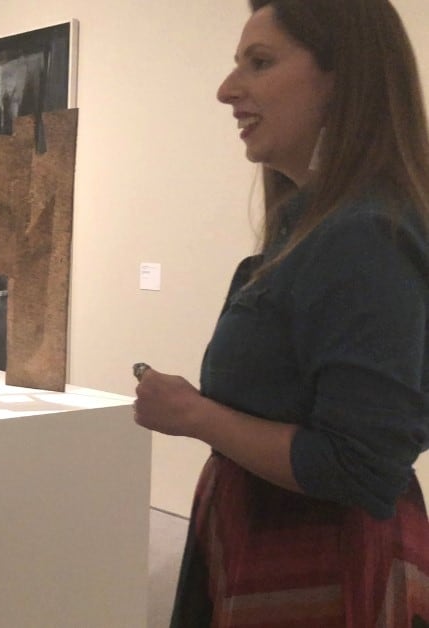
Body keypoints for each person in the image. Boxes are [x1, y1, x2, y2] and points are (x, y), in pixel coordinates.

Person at [133, 0, 429, 625]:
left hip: (322, 571)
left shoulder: (363, 236)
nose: (226, 90)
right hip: (274, 546)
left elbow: (361, 467)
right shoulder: (317, 227)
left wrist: (195, 414)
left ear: (341, 76)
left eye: (259, 63)